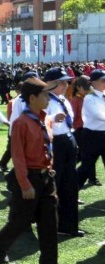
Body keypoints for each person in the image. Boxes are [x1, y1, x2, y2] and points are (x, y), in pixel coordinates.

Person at [0, 78, 67, 264]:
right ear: (32, 98)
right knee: (21, 220)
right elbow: (18, 156)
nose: (48, 98)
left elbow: (47, 125)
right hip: (30, 177)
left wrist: (56, 118)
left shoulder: (44, 119)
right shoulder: (21, 123)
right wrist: (25, 184)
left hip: (47, 177)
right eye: (44, 95)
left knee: (50, 223)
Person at [43, 68, 84, 237]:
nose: (66, 84)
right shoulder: (45, 100)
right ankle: (50, 224)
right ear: (52, 84)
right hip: (56, 144)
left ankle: (68, 225)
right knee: (54, 186)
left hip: (68, 140)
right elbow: (40, 122)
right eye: (62, 82)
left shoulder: (62, 99)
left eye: (66, 81)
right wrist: (52, 119)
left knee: (70, 185)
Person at [78, 69, 105, 190]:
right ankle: (70, 194)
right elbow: (98, 115)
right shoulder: (90, 98)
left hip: (103, 134)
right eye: (103, 80)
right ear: (93, 82)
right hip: (92, 137)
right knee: (85, 168)